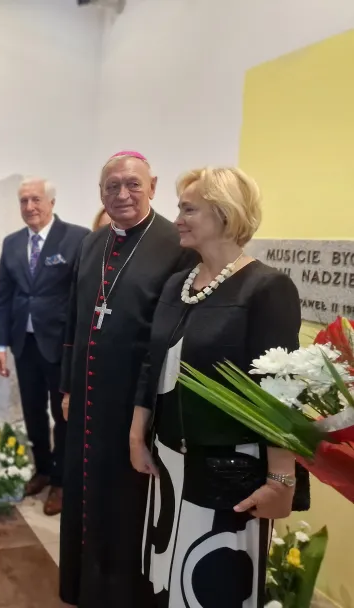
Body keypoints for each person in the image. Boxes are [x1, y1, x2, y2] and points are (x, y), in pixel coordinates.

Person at [130, 167, 309, 607]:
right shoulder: (179, 284)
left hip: (227, 473)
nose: (177, 219)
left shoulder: (266, 288)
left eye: (188, 210)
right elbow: (154, 361)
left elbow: (280, 390)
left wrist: (281, 480)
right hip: (170, 464)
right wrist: (137, 434)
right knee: (166, 584)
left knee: (211, 587)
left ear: (225, 214)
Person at [58, 151, 198, 607]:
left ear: (153, 186)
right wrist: (67, 386)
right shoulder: (92, 243)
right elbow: (75, 319)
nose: (122, 193)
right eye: (112, 186)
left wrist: (144, 412)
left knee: (124, 503)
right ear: (100, 193)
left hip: (134, 400)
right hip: (86, 396)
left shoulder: (176, 245)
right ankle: (83, 586)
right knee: (85, 493)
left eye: (133, 184)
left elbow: (166, 338)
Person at [0, 177, 89, 516]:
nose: (30, 207)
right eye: (24, 201)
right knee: (32, 411)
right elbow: (4, 296)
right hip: (24, 343)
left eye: (36, 199)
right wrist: (0, 344)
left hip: (60, 344)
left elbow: (82, 296)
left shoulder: (77, 238)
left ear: (51, 202)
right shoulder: (12, 243)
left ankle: (61, 482)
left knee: (62, 414)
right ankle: (43, 469)